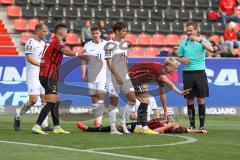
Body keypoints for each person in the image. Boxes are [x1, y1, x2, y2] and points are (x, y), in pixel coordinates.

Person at [31, 24, 88, 134]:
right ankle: (37, 126)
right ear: (62, 33)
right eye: (66, 32)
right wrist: (77, 54)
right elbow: (65, 51)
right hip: (49, 75)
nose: (67, 34)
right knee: (51, 101)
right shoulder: (56, 42)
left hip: (47, 74)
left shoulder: (51, 41)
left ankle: (57, 127)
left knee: (56, 101)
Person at [127, 58, 190, 134]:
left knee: (145, 100)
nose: (176, 71)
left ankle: (138, 127)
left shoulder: (160, 75)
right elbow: (170, 84)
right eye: (175, 68)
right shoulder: (160, 70)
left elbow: (162, 94)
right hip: (131, 78)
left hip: (135, 79)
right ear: (168, 66)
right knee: (145, 100)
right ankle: (143, 128)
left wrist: (165, 112)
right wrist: (180, 92)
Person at [14, 23, 52, 131]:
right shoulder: (30, 42)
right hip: (32, 75)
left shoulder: (44, 44)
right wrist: (41, 65)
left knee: (45, 99)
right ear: (38, 31)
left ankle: (44, 124)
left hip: (43, 75)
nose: (45, 33)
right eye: (44, 31)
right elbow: (29, 58)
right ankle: (19, 113)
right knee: (33, 100)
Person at [177, 22, 214, 131]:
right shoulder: (184, 43)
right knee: (189, 99)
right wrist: (182, 60)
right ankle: (192, 125)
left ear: (196, 30)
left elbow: (211, 50)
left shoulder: (202, 41)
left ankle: (202, 125)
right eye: (187, 30)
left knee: (201, 99)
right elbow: (179, 57)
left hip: (200, 73)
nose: (189, 32)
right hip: (188, 73)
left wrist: (200, 40)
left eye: (191, 30)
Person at [105, 22, 139, 134]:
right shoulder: (109, 44)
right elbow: (109, 63)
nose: (125, 33)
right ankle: (113, 128)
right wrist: (117, 76)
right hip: (112, 76)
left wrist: (127, 74)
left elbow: (125, 61)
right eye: (123, 31)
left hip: (124, 76)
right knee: (114, 101)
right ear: (117, 31)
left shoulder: (124, 44)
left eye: (126, 30)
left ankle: (123, 122)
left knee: (132, 99)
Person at [81, 26, 108, 127]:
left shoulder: (106, 44)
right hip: (91, 75)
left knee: (101, 97)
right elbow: (83, 60)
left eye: (97, 33)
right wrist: (83, 73)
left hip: (103, 75)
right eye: (93, 33)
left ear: (100, 33)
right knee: (94, 99)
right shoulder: (87, 45)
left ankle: (98, 122)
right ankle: (97, 118)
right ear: (91, 34)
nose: (95, 35)